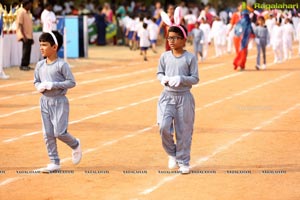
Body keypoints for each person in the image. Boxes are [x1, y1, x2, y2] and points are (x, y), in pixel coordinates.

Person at [34, 31, 82, 172]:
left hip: (59, 101)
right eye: (40, 45)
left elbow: (71, 82)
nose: (41, 48)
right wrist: (38, 86)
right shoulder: (39, 65)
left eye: (44, 45)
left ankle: (75, 144)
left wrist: (53, 84)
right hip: (44, 102)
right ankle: (54, 162)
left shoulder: (62, 65)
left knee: (59, 132)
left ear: (54, 47)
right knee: (47, 133)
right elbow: (36, 80)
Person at [157, 25, 199, 174]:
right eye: (169, 38)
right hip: (167, 97)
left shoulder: (190, 58)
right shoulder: (164, 56)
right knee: (163, 126)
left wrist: (181, 78)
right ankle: (172, 154)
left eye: (175, 38)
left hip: (184, 98)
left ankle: (183, 161)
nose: (172, 41)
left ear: (183, 39)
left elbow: (195, 78)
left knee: (184, 131)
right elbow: (159, 73)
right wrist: (162, 79)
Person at [15, 0, 34, 71]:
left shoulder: (28, 13)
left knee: (28, 50)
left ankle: (26, 65)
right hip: (24, 35)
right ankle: (23, 65)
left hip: (29, 35)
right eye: (29, 4)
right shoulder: (21, 12)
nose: (30, 6)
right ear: (26, 5)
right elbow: (20, 24)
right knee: (25, 50)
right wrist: (23, 35)